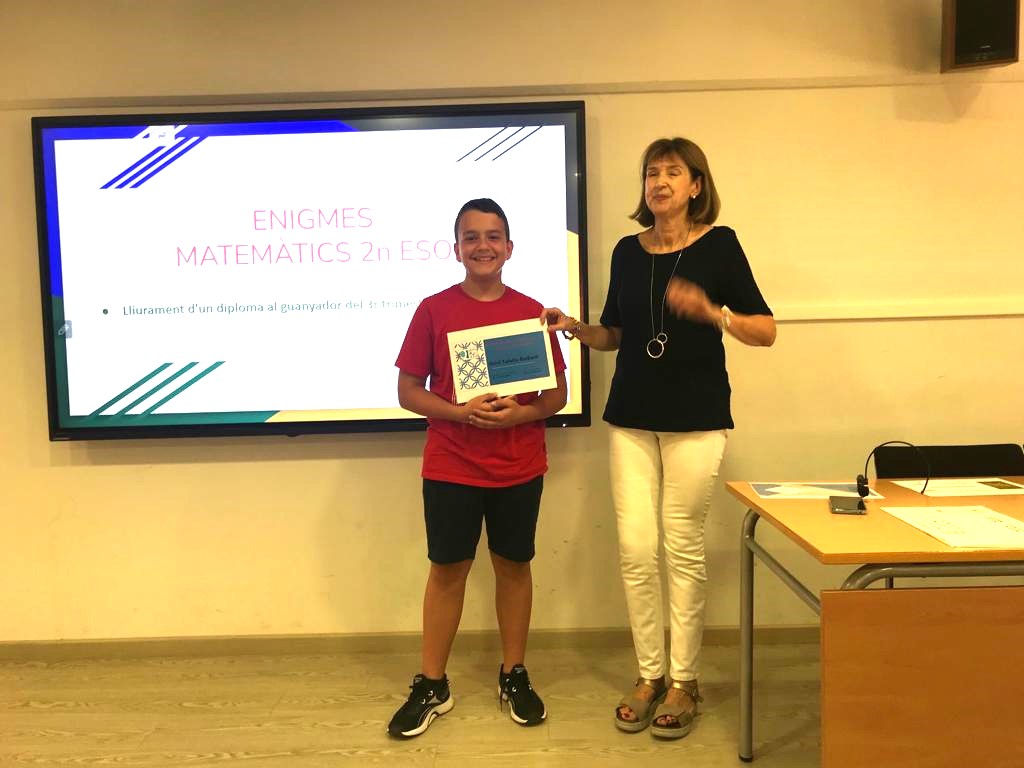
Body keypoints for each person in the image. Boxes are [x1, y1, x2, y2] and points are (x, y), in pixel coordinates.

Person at [542, 138, 776, 739]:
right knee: (635, 549)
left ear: (696, 185)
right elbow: (616, 333)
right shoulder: (628, 250)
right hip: (631, 417)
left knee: (682, 546)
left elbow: (766, 330)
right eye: (652, 172)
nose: (660, 182)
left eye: (674, 171)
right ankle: (649, 675)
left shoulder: (720, 245)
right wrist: (576, 329)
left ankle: (684, 680)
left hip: (696, 418)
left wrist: (712, 311)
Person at [387, 198, 568, 739]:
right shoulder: (433, 309)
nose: (482, 246)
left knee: (514, 567)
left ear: (509, 248)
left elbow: (556, 396)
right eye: (471, 237)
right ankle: (432, 683)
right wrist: (461, 412)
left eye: (492, 237)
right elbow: (407, 392)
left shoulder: (533, 313)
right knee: (447, 572)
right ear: (457, 248)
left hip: (519, 465)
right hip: (451, 465)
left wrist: (522, 413)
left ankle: (514, 674)